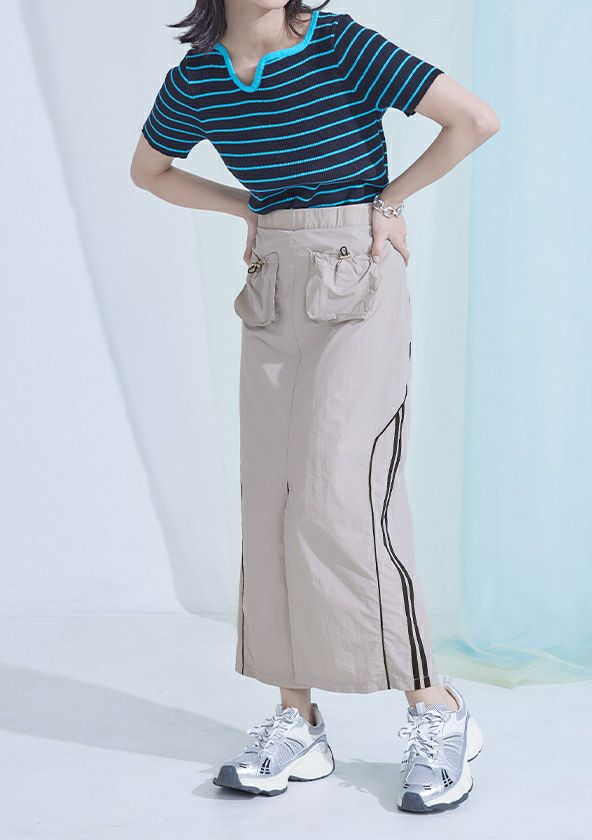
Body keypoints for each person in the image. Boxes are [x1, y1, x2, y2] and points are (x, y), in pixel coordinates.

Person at [131, 0, 499, 813]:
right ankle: (297, 720)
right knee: (273, 498)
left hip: (357, 269)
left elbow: (473, 120)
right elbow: (148, 171)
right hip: (273, 284)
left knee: (345, 494)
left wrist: (389, 203)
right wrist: (247, 208)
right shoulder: (198, 78)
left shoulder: (338, 44)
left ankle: (436, 708)